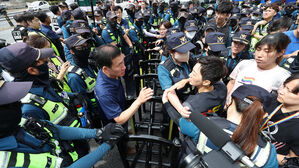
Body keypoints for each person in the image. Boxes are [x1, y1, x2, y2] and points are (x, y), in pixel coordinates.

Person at [0, 80, 126, 168]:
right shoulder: (4, 161)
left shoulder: (20, 123)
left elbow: (55, 130)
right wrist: (107, 145)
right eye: (9, 104)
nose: (19, 105)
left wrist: (98, 132)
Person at [163, 84, 279, 168]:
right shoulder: (268, 151)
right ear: (264, 115)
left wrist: (166, 102)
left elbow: (181, 122)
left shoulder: (203, 125)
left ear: (228, 102)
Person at [94, 44, 153, 126]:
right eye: (119, 65)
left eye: (123, 61)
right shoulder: (104, 92)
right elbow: (119, 119)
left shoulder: (111, 73)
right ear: (106, 69)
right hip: (114, 128)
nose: (124, 67)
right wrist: (139, 100)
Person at [226, 33, 291, 102]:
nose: (259, 55)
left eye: (267, 51)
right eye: (258, 49)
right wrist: (226, 100)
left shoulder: (283, 77)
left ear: (280, 53)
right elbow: (232, 83)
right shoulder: (244, 64)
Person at [262, 73, 299, 166]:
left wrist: (257, 152)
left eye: (289, 91)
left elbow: (292, 160)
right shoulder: (272, 100)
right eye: (284, 87)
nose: (281, 91)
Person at [157, 32, 195, 100]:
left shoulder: (192, 60)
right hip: (178, 100)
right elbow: (169, 92)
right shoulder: (164, 67)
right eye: (182, 51)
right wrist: (181, 110)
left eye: (187, 50)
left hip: (194, 98)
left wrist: (186, 80)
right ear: (171, 52)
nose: (186, 53)